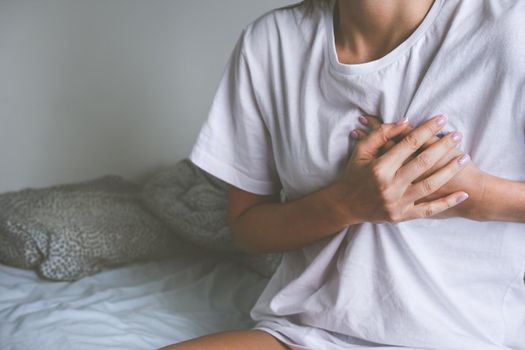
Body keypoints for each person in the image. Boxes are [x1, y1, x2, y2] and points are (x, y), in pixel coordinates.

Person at [159, 0, 525, 349]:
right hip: (303, 334)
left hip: (470, 338)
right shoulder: (271, 42)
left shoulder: (510, 28)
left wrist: (478, 196)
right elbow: (247, 229)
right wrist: (347, 203)